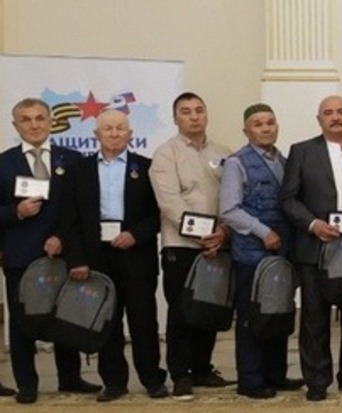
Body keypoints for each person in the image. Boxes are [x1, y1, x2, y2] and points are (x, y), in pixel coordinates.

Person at [56, 110, 169, 401]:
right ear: (97, 134)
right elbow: (70, 220)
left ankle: (152, 379)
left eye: (120, 128)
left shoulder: (147, 167)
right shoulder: (79, 170)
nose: (115, 133)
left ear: (130, 134)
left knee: (144, 322)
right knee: (106, 322)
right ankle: (114, 382)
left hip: (136, 254)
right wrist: (77, 259)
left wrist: (136, 234)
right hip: (97, 258)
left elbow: (159, 213)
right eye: (108, 128)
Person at [0, 98, 95, 403]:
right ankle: (27, 384)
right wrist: (16, 212)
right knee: (22, 321)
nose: (34, 124)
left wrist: (62, 238)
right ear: (15, 125)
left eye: (40, 118)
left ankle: (70, 378)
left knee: (65, 316)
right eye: (26, 119)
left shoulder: (74, 159)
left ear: (51, 121)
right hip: (20, 256)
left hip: (64, 252)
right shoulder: (3, 163)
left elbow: (82, 209)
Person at [279, 95, 342, 401]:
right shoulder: (302, 151)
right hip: (315, 247)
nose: (335, 117)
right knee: (315, 317)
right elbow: (288, 199)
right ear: (319, 119)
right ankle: (317, 380)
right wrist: (312, 224)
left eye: (341, 111)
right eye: (328, 112)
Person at [148, 91, 233, 399]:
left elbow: (233, 197)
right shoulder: (165, 154)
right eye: (186, 112)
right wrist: (203, 235)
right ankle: (180, 374)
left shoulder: (224, 153)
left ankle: (202, 368)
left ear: (206, 115)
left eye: (199, 110)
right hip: (181, 245)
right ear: (175, 118)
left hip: (218, 243)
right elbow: (170, 202)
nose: (194, 116)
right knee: (183, 312)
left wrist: (223, 232)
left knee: (210, 308)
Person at [218, 103, 301, 399]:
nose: (266, 128)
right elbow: (229, 210)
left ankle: (276, 374)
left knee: (277, 313)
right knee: (253, 318)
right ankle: (251, 380)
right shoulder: (236, 163)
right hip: (252, 255)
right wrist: (263, 232)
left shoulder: (285, 161)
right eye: (258, 124)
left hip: (282, 255)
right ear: (246, 130)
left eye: (270, 122)